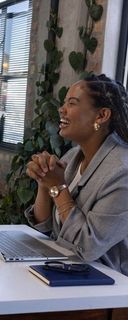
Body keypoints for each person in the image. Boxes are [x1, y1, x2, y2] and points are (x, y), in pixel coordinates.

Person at [25, 74, 128, 275]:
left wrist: (58, 187)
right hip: (65, 268)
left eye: (72, 103)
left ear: (101, 116)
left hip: (106, 286)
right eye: (64, 102)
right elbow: (44, 228)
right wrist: (44, 180)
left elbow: (87, 247)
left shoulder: (122, 172)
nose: (61, 109)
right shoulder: (73, 156)